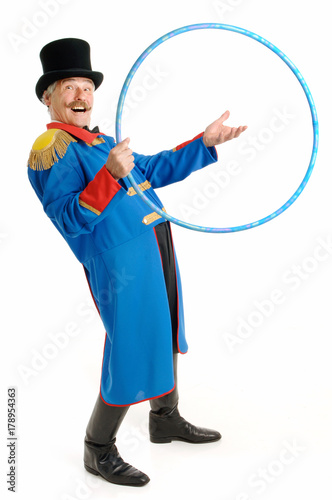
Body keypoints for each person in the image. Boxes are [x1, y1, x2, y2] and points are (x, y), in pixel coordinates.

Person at [27, 38, 247, 488]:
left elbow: (152, 169)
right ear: (49, 97)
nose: (80, 95)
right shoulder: (52, 147)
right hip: (117, 266)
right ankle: (98, 448)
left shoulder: (100, 142)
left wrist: (203, 143)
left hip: (154, 246)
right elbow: (69, 219)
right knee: (129, 345)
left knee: (164, 329)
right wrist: (109, 174)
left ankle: (165, 419)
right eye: (69, 87)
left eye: (86, 86)